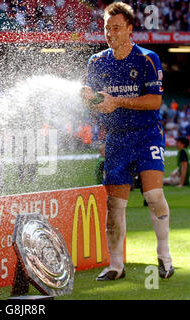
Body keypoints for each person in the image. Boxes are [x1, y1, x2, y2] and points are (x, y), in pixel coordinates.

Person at [81, 2, 174, 281]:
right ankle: (115, 265)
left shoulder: (148, 58)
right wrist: (90, 99)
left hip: (147, 134)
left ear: (130, 29)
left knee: (153, 195)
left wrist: (117, 101)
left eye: (117, 28)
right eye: (107, 28)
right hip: (117, 138)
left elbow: (154, 101)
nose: (110, 33)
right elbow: (96, 104)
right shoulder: (96, 62)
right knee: (114, 205)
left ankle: (164, 256)